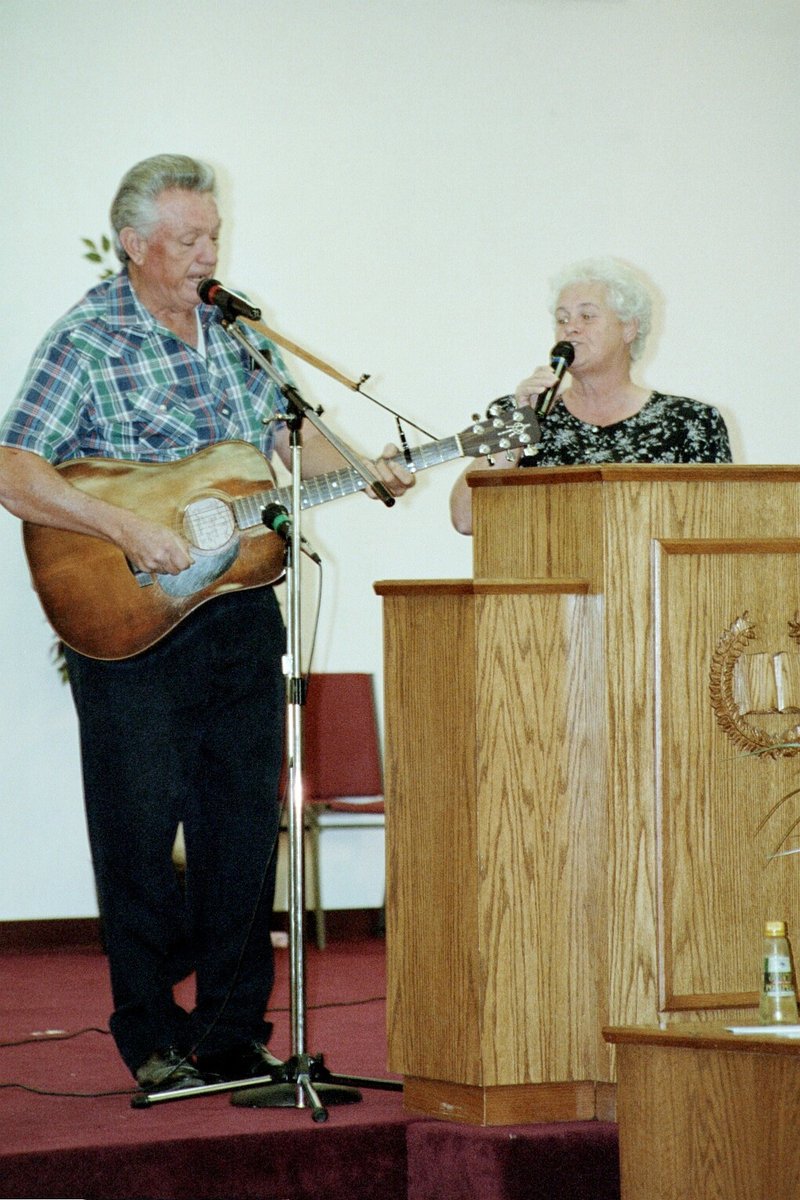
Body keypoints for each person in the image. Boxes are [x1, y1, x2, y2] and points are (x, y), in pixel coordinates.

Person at [0, 154, 414, 1094]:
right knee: (139, 835)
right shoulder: (87, 341)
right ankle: (151, 1036)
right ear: (133, 244)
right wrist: (124, 527)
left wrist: (363, 464)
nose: (207, 254)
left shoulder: (238, 330)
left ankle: (230, 1035)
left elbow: (287, 442)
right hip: (129, 623)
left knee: (242, 833)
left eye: (213, 235)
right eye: (188, 239)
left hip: (240, 615)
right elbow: (15, 468)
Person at [450, 257, 732, 534]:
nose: (570, 328)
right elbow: (466, 520)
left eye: (586, 316)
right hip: (545, 565)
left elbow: (719, 526)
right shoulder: (519, 413)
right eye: (562, 319)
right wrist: (520, 427)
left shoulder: (691, 422)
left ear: (628, 328)